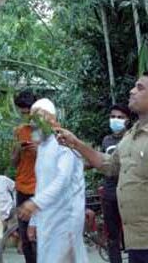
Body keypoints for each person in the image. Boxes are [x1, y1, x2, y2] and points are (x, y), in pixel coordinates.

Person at [57, 74, 148, 263]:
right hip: (137, 240)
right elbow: (109, 165)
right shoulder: (131, 136)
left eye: (140, 88)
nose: (132, 91)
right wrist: (76, 143)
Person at [18, 98, 87, 262]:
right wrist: (34, 221)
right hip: (47, 219)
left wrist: (35, 203)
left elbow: (62, 181)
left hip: (66, 218)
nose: (35, 122)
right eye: (33, 118)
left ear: (53, 119)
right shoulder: (43, 146)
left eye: (39, 116)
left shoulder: (64, 142)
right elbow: (41, 186)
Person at [101, 103, 132, 263]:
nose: (115, 120)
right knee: (112, 237)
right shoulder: (106, 140)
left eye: (120, 117)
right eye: (113, 117)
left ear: (128, 120)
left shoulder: (133, 138)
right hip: (110, 194)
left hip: (130, 194)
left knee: (133, 235)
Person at [12, 90, 37, 263]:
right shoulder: (19, 131)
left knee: (41, 234)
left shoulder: (49, 129)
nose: (25, 116)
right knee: (25, 235)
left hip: (41, 189)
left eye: (28, 112)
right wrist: (18, 150)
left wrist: (39, 150)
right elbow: (14, 162)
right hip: (22, 187)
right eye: (22, 113)